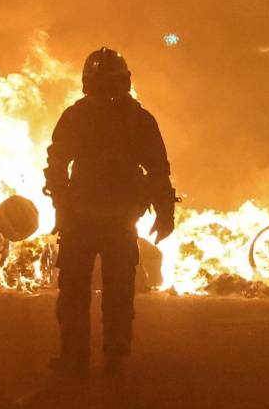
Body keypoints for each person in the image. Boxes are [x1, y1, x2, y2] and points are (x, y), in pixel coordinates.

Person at [43, 47, 176, 374]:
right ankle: (104, 354)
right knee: (101, 290)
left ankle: (92, 354)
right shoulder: (126, 118)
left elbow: (158, 171)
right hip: (96, 219)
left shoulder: (100, 117)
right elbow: (57, 164)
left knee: (91, 290)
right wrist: (164, 212)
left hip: (99, 219)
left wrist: (165, 212)